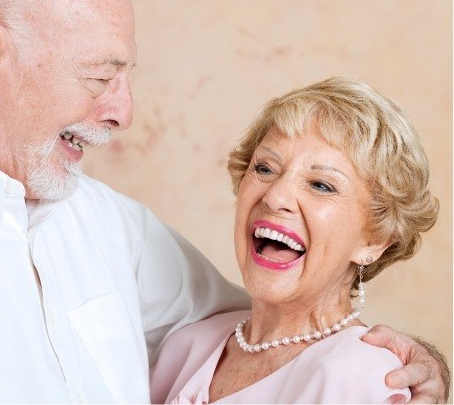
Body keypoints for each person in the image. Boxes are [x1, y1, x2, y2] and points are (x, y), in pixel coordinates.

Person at [0, 0, 447, 403]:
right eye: (100, 78)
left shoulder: (112, 225)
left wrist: (416, 364)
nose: (123, 114)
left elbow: (274, 322)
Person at [150, 77, 446, 403]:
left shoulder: (364, 375)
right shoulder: (186, 346)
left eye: (321, 185)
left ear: (375, 240)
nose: (276, 197)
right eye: (265, 168)